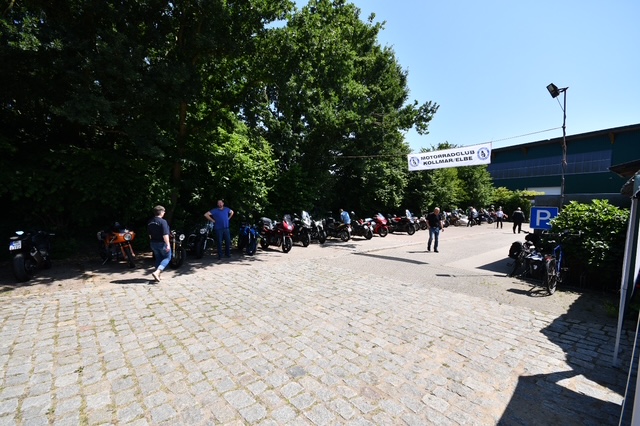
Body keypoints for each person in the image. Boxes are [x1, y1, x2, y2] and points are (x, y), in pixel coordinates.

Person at [147, 205, 171, 282]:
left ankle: (158, 276)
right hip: (162, 243)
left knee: (158, 258)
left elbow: (150, 235)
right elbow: (165, 234)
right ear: (161, 212)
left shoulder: (150, 222)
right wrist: (168, 244)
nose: (164, 213)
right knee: (167, 257)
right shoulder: (163, 222)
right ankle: (157, 272)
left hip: (153, 243)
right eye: (164, 212)